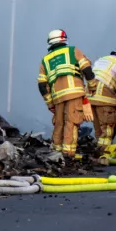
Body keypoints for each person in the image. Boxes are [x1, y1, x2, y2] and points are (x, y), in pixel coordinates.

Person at [37, 29, 95, 159]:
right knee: (71, 122)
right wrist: (92, 85)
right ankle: (68, 154)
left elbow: (42, 85)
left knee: (59, 123)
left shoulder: (45, 60)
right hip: (74, 93)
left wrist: (49, 103)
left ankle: (56, 151)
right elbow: (87, 69)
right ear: (64, 39)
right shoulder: (73, 51)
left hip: (57, 97)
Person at [87, 51, 116, 162]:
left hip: (90, 97)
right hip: (105, 99)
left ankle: (98, 154)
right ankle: (105, 155)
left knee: (98, 129)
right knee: (106, 130)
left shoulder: (102, 60)